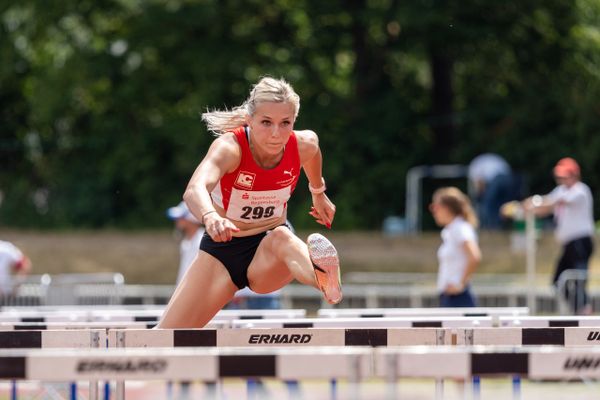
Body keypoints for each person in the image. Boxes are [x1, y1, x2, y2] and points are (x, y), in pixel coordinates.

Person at [157, 77, 342, 329]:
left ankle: (324, 280)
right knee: (166, 337)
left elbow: (313, 155)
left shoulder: (303, 144)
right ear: (250, 119)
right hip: (222, 251)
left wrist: (318, 192)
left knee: (282, 238)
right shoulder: (230, 148)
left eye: (285, 123)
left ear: (293, 122)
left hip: (267, 251)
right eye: (266, 123)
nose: (276, 134)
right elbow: (194, 189)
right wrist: (211, 216)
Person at [523, 157, 594, 315]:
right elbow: (547, 206)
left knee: (577, 279)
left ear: (575, 175)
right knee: (559, 281)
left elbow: (553, 203)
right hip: (569, 243)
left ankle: (583, 310)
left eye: (565, 176)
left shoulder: (581, 190)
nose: (561, 179)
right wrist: (525, 208)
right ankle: (580, 310)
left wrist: (534, 203)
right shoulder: (561, 191)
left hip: (580, 241)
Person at [430, 187, 482, 307]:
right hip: (450, 296)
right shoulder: (452, 230)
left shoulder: (460, 228)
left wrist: (460, 285)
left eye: (435, 207)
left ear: (447, 208)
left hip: (458, 298)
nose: (433, 211)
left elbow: (474, 256)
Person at [468, 153, 514, 230]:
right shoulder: (482, 161)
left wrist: (480, 196)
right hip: (508, 177)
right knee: (501, 205)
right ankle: (500, 225)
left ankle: (491, 227)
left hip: (497, 178)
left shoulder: (474, 168)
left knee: (488, 204)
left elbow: (480, 183)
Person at [166, 201, 205, 285]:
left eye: (181, 217)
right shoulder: (186, 242)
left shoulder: (202, 242)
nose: (177, 221)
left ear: (191, 218)